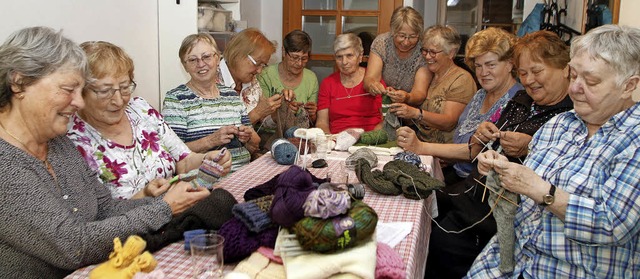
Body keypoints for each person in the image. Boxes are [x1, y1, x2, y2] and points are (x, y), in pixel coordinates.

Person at [0, 26, 220, 279]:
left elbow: (105, 208)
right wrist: (165, 207)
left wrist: (175, 200)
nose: (79, 102)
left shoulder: (57, 143)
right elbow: (74, 245)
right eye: (68, 89)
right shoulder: (6, 164)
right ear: (18, 83)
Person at [468, 24, 640, 278]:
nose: (574, 89)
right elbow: (521, 202)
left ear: (629, 86)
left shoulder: (633, 140)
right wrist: (500, 170)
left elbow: (612, 225)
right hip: (510, 260)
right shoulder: (560, 124)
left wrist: (539, 190)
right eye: (573, 76)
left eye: (590, 81)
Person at [399, 30, 574, 279]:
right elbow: (478, 148)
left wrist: (531, 146)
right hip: (473, 188)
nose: (529, 80)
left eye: (537, 71)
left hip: (496, 206)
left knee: (434, 237)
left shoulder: (569, 116)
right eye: (524, 74)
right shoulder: (522, 99)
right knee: (418, 205)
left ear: (565, 69)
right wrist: (481, 136)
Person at [66, 40, 230, 199]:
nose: (118, 100)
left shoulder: (141, 110)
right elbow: (96, 216)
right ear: (80, 92)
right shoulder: (73, 143)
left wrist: (207, 159)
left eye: (124, 87)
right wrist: (149, 198)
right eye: (105, 91)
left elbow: (184, 160)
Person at [398, 27, 523, 185]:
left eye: (491, 65)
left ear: (510, 64)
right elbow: (462, 141)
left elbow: (473, 150)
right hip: (459, 173)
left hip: (483, 187)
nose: (483, 72)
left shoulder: (517, 102)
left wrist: (421, 146)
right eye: (478, 66)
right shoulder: (480, 95)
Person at [162, 33, 259, 172]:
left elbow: (254, 144)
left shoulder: (231, 95)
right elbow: (170, 153)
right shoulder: (176, 100)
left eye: (206, 57)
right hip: (205, 181)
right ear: (185, 66)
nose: (201, 64)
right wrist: (211, 140)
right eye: (192, 60)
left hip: (243, 174)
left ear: (218, 58)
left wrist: (247, 136)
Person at [390, 25, 476, 144]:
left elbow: (449, 123)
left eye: (433, 52)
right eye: (425, 50)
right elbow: (419, 118)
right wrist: (402, 108)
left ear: (451, 53)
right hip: (423, 146)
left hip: (445, 155)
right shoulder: (429, 75)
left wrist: (415, 113)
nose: (427, 56)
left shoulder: (461, 79)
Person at [363, 6, 431, 138]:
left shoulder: (423, 49)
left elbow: (420, 93)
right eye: (401, 36)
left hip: (410, 118)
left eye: (412, 37)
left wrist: (407, 97)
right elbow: (370, 79)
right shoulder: (381, 43)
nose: (406, 42)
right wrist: (373, 86)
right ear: (393, 31)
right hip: (381, 112)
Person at [217, 28, 295, 126]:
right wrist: (257, 113)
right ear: (237, 54)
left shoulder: (252, 81)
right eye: (257, 63)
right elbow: (220, 133)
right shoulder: (211, 80)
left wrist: (280, 109)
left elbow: (263, 123)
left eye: (263, 66)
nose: (259, 71)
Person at [257, 29, 318, 147]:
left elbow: (311, 122)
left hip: (299, 139)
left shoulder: (311, 78)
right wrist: (283, 109)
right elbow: (261, 121)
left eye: (304, 58)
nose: (299, 63)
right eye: (295, 57)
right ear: (284, 52)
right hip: (269, 140)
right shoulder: (265, 75)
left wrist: (312, 113)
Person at [316, 33, 383, 135]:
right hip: (337, 142)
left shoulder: (373, 80)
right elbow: (322, 123)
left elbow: (386, 121)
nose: (344, 62)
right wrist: (329, 141)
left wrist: (372, 138)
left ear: (360, 56)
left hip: (370, 140)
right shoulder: (327, 83)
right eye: (339, 57)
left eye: (349, 55)